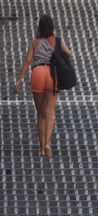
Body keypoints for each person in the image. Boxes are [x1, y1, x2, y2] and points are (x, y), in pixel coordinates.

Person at [14, 15, 72, 157]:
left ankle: (41, 149)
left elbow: (27, 61)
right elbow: (69, 54)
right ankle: (47, 144)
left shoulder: (34, 43)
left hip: (38, 73)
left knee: (40, 114)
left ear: (39, 27)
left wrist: (19, 80)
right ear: (52, 27)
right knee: (50, 112)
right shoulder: (58, 41)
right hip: (52, 74)